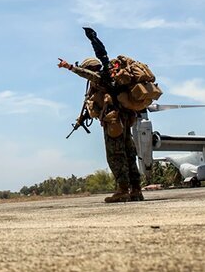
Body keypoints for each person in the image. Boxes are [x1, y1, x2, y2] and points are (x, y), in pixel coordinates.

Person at [58, 57, 143, 203]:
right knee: (129, 155)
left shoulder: (102, 77)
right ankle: (136, 191)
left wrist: (70, 67)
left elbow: (89, 75)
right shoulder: (111, 80)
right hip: (124, 120)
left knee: (116, 156)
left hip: (113, 122)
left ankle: (122, 190)